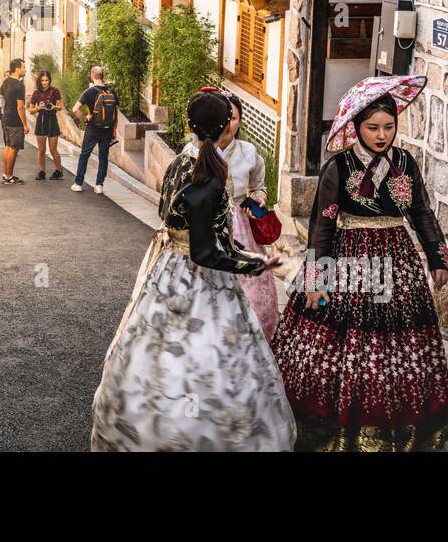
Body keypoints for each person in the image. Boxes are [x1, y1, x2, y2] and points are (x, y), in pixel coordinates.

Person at [90, 90, 296, 451]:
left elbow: (175, 222)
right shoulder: (211, 177)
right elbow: (205, 252)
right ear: (223, 128)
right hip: (201, 278)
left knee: (156, 346)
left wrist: (248, 257)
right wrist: (252, 263)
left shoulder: (178, 165)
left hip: (167, 268)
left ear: (190, 126)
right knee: (214, 352)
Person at [270, 75, 448, 452]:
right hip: (349, 259)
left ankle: (393, 424)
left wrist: (437, 256)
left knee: (394, 342)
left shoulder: (405, 163)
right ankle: (337, 425)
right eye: (372, 128)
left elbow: (421, 212)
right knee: (350, 337)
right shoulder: (338, 167)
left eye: (389, 127)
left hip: (396, 259)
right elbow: (322, 225)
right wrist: (316, 278)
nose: (382, 135)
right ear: (356, 128)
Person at [181, 91, 279, 338]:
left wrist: (258, 198)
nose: (230, 124)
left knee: (252, 295)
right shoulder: (190, 153)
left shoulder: (249, 152)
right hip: (208, 225)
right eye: (227, 118)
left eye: (234, 118)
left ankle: (251, 338)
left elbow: (259, 186)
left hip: (240, 225)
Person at [71, 66, 117, 195]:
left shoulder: (89, 92)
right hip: (107, 130)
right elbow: (115, 113)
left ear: (92, 75)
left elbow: (75, 109)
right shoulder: (111, 91)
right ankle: (99, 185)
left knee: (84, 155)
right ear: (102, 76)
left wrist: (85, 119)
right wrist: (113, 130)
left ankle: (78, 183)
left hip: (92, 128)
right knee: (103, 158)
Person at [28, 70, 64, 181]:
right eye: (42, 80)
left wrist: (53, 106)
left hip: (52, 121)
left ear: (49, 80)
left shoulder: (55, 91)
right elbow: (31, 110)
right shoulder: (36, 93)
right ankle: (42, 171)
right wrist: (39, 108)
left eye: (46, 80)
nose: (44, 82)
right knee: (41, 150)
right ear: (39, 80)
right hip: (41, 121)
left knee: (53, 149)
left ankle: (58, 171)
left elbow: (60, 107)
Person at [0, 58, 28, 185]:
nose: (25, 70)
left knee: (8, 146)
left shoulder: (6, 82)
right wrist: (25, 125)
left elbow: (2, 98)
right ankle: (9, 176)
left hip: (5, 118)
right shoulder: (19, 85)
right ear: (17, 69)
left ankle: (6, 174)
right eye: (23, 67)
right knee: (14, 148)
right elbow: (20, 107)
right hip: (15, 120)